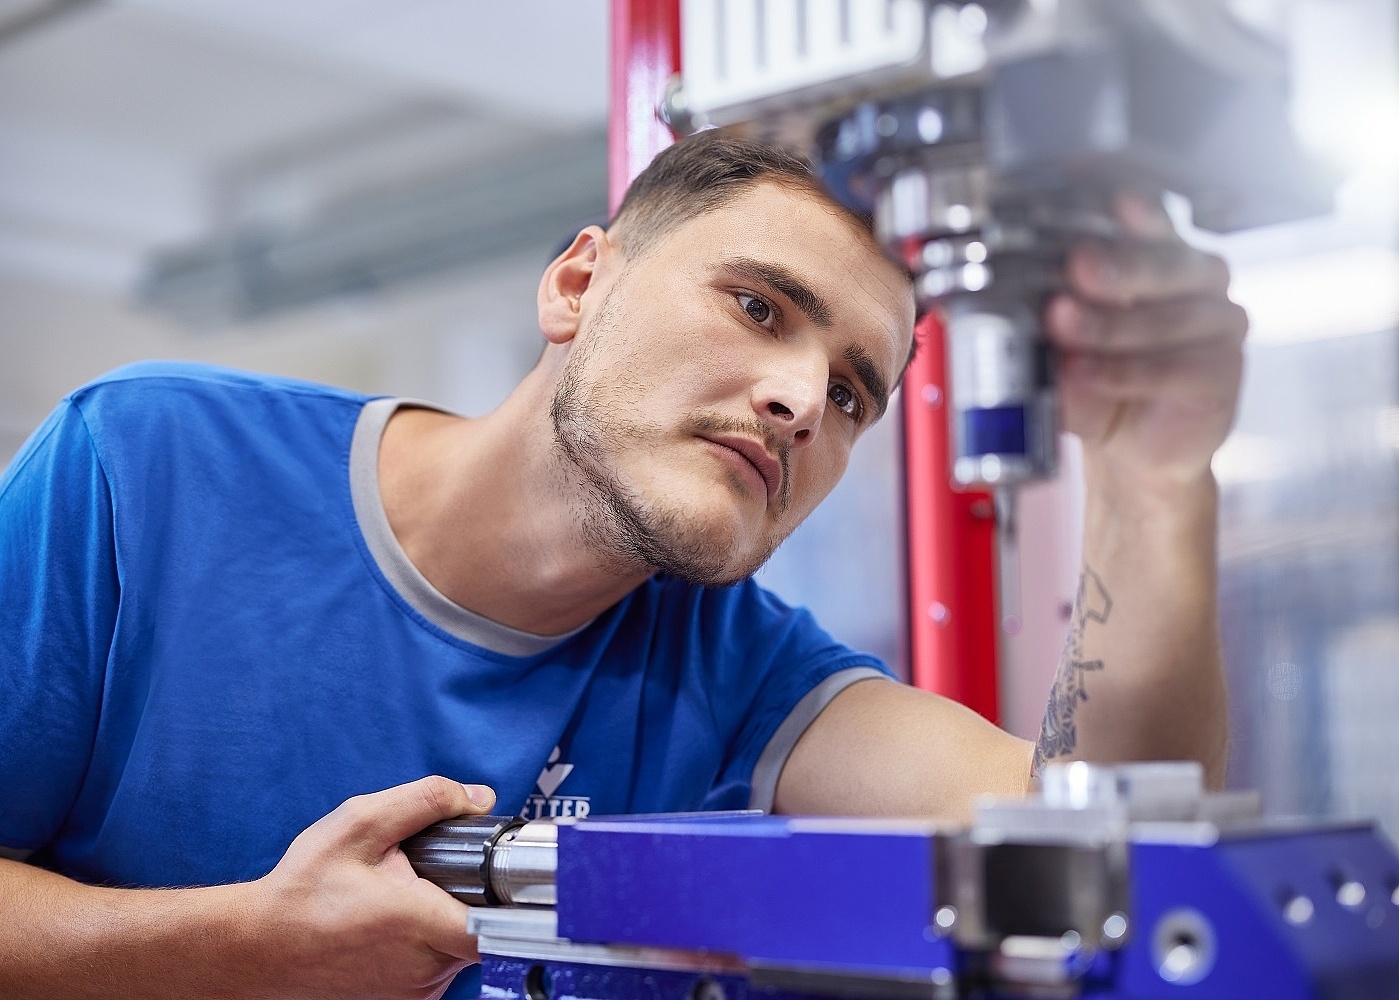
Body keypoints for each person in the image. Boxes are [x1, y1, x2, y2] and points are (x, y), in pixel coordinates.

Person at [0, 130, 1244, 999]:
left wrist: (1153, 479)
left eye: (856, 392)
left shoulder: (742, 676)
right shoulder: (147, 464)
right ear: (577, 284)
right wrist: (231, 949)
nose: (803, 397)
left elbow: (1105, 842)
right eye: (760, 306)